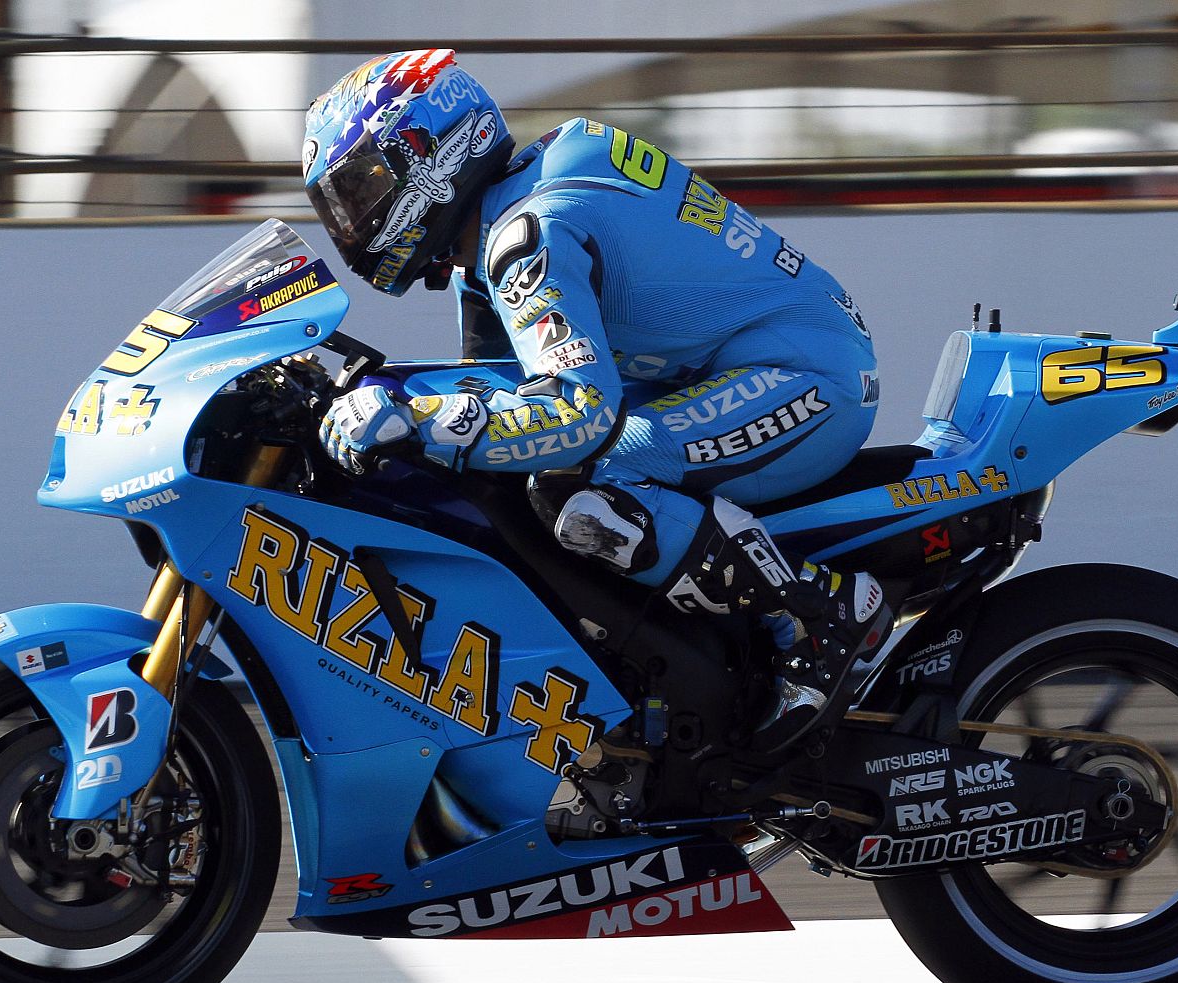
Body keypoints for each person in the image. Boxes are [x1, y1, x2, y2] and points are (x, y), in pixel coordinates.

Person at [302, 49, 889, 752]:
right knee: (519, 459)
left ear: (430, 151)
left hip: (805, 379)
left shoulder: (529, 232)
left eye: (364, 188)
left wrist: (415, 418)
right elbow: (500, 394)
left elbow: (577, 415)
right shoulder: (509, 213)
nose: (353, 220)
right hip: (750, 362)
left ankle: (820, 617)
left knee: (582, 483)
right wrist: (381, 396)